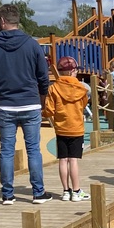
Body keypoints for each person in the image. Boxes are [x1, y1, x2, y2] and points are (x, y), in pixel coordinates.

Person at [0, 4, 52, 205]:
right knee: (33, 150)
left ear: (2, 21)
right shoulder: (32, 44)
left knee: (6, 150)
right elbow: (43, 76)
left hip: (5, 105)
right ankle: (38, 192)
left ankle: (7, 194)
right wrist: (42, 97)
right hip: (30, 103)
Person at [43, 56, 91, 202]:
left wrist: (46, 114)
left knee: (63, 160)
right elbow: (83, 105)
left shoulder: (54, 88)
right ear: (72, 71)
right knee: (73, 160)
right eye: (76, 70)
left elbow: (49, 110)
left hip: (61, 128)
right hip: (76, 127)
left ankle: (65, 191)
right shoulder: (81, 88)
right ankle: (76, 191)